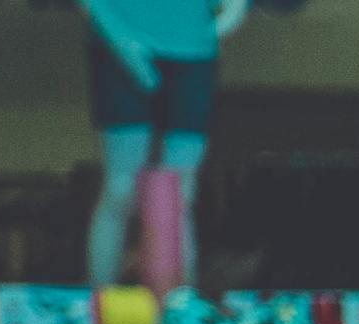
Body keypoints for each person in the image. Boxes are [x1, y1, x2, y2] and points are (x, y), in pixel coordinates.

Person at [82, 0, 245, 292]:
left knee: (182, 188)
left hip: (195, 48)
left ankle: (179, 304)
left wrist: (232, 13)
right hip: (120, 37)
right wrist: (114, 33)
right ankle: (100, 301)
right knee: (121, 187)